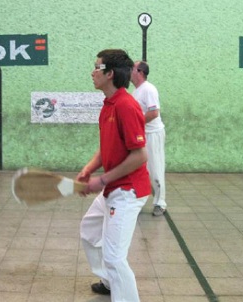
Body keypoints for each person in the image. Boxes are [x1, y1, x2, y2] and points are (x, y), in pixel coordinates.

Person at [77, 49, 151, 302]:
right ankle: (109, 282)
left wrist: (102, 180)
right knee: (89, 230)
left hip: (128, 191)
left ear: (109, 73)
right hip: (112, 188)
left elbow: (140, 155)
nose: (92, 72)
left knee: (115, 257)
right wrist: (89, 169)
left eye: (96, 68)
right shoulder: (108, 104)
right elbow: (107, 146)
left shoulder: (126, 106)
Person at [130, 61, 167, 216]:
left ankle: (160, 203)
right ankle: (138, 202)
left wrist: (136, 125)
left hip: (153, 134)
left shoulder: (149, 89)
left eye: (132, 69)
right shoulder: (136, 91)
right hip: (141, 134)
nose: (129, 72)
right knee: (138, 169)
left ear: (140, 72)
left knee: (155, 169)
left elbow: (153, 113)